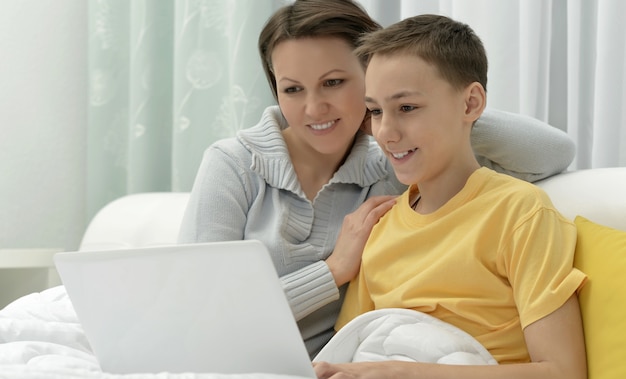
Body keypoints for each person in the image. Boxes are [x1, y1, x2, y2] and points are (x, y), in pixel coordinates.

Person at [178, 0, 576, 359]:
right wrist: (333, 271)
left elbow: (552, 152)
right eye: (292, 89)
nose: (314, 108)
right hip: (224, 364)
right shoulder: (233, 165)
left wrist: (422, 106)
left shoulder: (394, 166)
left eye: (334, 82)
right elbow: (197, 317)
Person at [313, 14, 588, 379]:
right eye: (374, 111)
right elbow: (351, 360)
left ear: (471, 103)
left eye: (406, 107)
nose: (385, 132)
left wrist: (394, 375)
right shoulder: (380, 228)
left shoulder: (518, 212)